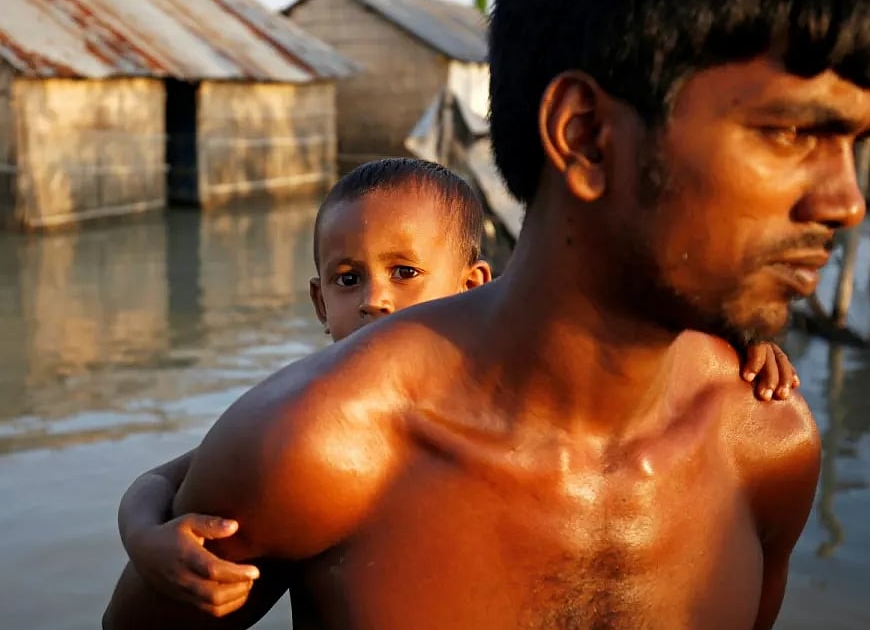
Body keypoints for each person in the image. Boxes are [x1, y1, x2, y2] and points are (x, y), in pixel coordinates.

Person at [104, 0, 870, 626]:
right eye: (792, 133)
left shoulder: (769, 446)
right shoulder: (323, 446)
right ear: (585, 135)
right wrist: (144, 513)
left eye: (852, 144)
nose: (848, 201)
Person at [113, 158, 801, 617]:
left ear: (474, 284)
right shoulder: (318, 424)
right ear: (321, 304)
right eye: (349, 281)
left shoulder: (757, 423)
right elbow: (175, 476)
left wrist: (745, 336)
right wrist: (142, 532)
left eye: (405, 272)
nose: (376, 299)